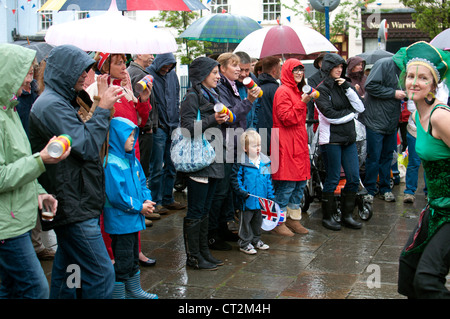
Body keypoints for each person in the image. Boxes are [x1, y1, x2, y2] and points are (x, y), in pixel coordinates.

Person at [28, 44, 120, 299]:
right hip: (73, 205)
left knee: (69, 271)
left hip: (76, 200)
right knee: (101, 274)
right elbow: (87, 146)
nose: (85, 75)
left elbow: (82, 138)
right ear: (64, 72)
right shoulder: (51, 105)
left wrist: (98, 104)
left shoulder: (60, 100)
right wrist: (101, 110)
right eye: (81, 70)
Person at [0, 43, 69, 299]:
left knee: (9, 288)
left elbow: (19, 160)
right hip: (7, 225)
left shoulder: (10, 111)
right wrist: (41, 160)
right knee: (36, 289)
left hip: (16, 217)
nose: (31, 79)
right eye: (27, 72)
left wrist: (39, 192)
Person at [86, 52, 155, 267]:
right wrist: (101, 97)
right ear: (105, 66)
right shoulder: (96, 90)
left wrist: (143, 99)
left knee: (135, 198)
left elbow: (140, 121)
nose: (124, 66)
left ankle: (136, 250)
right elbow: (91, 121)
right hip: (111, 154)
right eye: (117, 63)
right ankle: (111, 254)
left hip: (131, 152)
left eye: (124, 61)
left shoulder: (127, 88)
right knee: (113, 203)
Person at [395, 41, 450, 298]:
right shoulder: (417, 115)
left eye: (423, 77)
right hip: (436, 206)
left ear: (433, 84)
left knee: (427, 280)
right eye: (410, 76)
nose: (414, 82)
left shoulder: (440, 116)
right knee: (408, 266)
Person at [208, 52, 260, 251]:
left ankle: (222, 228)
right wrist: (248, 101)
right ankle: (213, 234)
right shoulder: (220, 87)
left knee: (228, 190)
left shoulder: (232, 86)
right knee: (220, 191)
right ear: (222, 68)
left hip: (234, 143)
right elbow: (230, 116)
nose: (239, 69)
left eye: (240, 66)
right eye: (234, 65)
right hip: (225, 144)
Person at [179, 56, 227, 270]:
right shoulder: (191, 96)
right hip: (199, 160)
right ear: (202, 75)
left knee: (206, 209)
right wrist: (212, 120)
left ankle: (204, 252)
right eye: (214, 72)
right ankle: (194, 257)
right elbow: (187, 128)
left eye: (218, 72)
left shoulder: (212, 94)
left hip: (213, 157)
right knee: (196, 209)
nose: (218, 76)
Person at [103, 117, 158, 299]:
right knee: (123, 260)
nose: (132, 139)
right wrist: (139, 207)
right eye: (129, 135)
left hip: (132, 219)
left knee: (132, 257)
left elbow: (142, 182)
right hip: (121, 220)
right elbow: (116, 196)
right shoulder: (111, 163)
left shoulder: (132, 160)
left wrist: (147, 200)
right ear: (117, 137)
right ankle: (119, 294)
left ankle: (134, 290)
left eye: (134, 135)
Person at [315, 53, 365, 231]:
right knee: (333, 178)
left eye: (342, 67)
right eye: (336, 67)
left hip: (348, 139)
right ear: (328, 68)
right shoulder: (320, 89)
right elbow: (330, 116)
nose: (339, 70)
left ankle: (347, 215)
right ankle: (327, 217)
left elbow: (360, 107)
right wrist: (352, 114)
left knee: (353, 178)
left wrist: (348, 89)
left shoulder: (344, 85)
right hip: (331, 140)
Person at [271, 59, 312, 236]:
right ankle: (278, 221)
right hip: (285, 141)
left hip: (297, 140)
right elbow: (287, 118)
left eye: (301, 70)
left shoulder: (296, 90)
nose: (299, 73)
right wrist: (303, 102)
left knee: (300, 183)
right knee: (287, 184)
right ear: (287, 71)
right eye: (295, 70)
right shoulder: (283, 91)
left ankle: (293, 219)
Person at [360, 55, 406, 203]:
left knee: (388, 156)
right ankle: (370, 189)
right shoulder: (384, 64)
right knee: (373, 156)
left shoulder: (405, 69)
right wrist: (393, 93)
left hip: (391, 121)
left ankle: (385, 188)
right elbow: (371, 86)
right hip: (375, 120)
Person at [146, 53, 186, 214]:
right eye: (165, 65)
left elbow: (175, 98)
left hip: (173, 126)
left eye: (170, 66)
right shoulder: (149, 75)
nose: (167, 68)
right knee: (156, 167)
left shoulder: (172, 76)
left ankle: (168, 198)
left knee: (171, 165)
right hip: (159, 127)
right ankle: (155, 202)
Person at [127, 54, 160, 224]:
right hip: (141, 130)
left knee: (142, 171)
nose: (152, 56)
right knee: (140, 172)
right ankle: (141, 208)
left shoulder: (139, 73)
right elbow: (137, 107)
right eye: (149, 52)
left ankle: (144, 207)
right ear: (138, 54)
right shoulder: (137, 75)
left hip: (143, 128)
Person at [231, 130, 273, 254]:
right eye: (254, 146)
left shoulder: (265, 162)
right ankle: (244, 243)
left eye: (259, 145)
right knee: (245, 222)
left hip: (261, 200)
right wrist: (241, 192)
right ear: (245, 148)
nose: (258, 148)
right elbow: (235, 179)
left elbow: (268, 180)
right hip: (247, 200)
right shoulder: (241, 163)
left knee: (257, 222)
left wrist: (270, 196)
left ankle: (256, 240)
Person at [255, 56, 281, 155]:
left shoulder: (256, 87)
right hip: (272, 134)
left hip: (259, 134)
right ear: (274, 71)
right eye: (279, 69)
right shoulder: (275, 89)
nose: (281, 71)